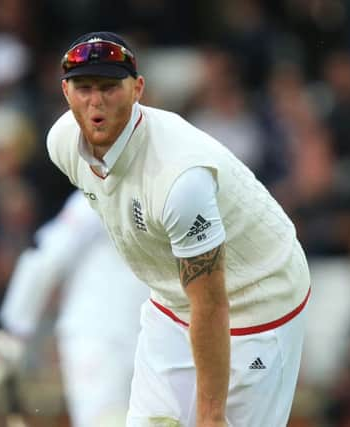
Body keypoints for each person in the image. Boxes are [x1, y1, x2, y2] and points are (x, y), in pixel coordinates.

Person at [46, 31, 311, 427]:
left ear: (137, 89)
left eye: (108, 87)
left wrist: (211, 415)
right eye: (83, 88)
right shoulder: (62, 143)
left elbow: (211, 303)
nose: (96, 101)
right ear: (66, 92)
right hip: (173, 301)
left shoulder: (179, 179)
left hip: (261, 299)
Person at [0, 190, 148, 427]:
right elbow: (45, 256)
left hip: (153, 340)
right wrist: (13, 329)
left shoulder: (176, 182)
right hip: (99, 343)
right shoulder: (102, 189)